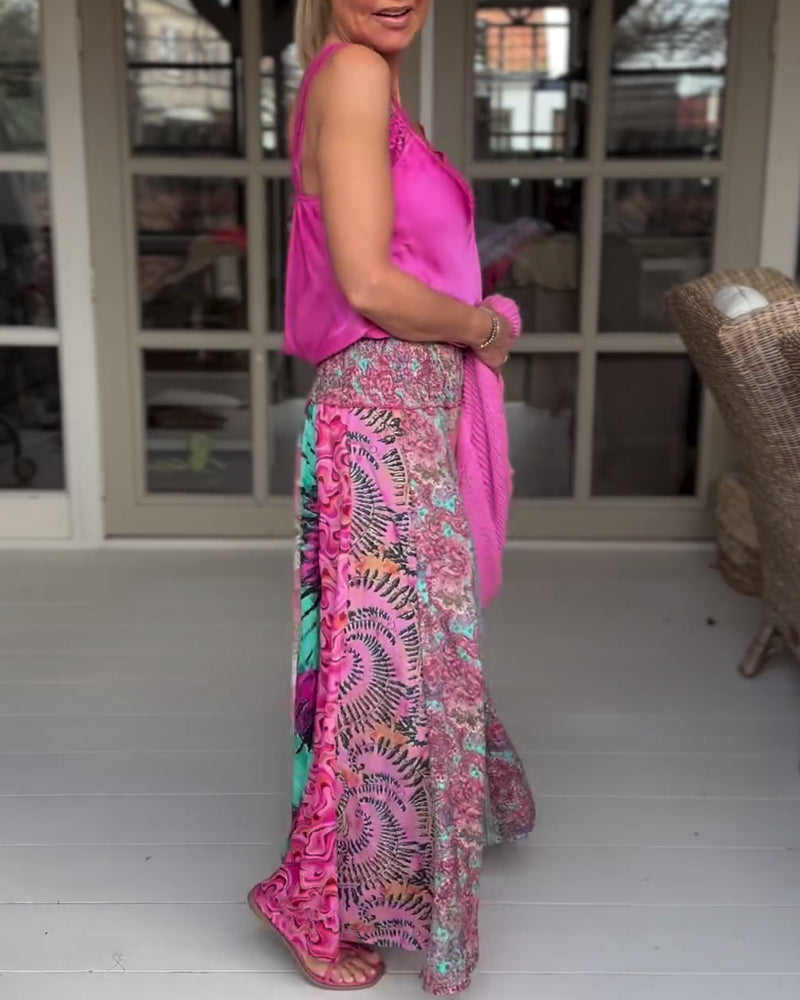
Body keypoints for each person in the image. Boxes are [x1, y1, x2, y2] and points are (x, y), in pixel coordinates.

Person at [247, 1, 535, 994]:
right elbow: (368, 284)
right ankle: (313, 898)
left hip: (396, 409)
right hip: (380, 410)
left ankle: (367, 879)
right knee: (383, 677)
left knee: (399, 665)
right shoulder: (356, 74)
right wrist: (483, 328)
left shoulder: (365, 79)